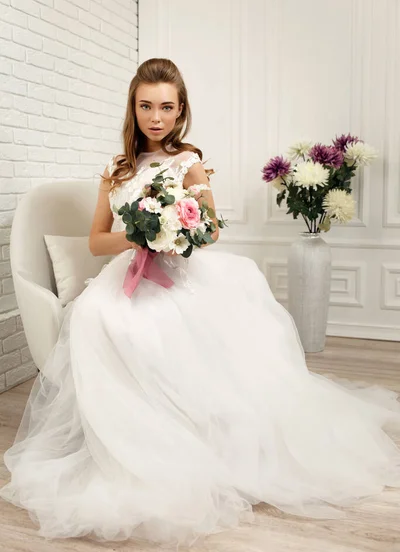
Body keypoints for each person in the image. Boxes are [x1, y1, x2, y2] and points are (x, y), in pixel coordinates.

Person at [1, 58, 400, 549]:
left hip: (179, 273)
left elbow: (208, 230)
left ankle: (204, 440)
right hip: (126, 274)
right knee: (101, 319)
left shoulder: (188, 160)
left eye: (166, 106)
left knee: (181, 331)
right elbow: (97, 241)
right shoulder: (115, 169)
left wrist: (172, 229)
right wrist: (139, 234)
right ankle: (129, 442)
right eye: (146, 106)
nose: (156, 116)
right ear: (133, 108)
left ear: (181, 109)